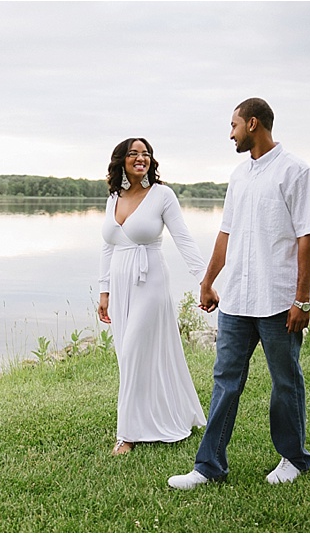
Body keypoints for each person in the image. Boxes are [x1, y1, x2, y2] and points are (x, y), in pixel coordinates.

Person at [168, 98, 310, 488]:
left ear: (253, 124)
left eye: (233, 125)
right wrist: (207, 280)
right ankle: (209, 466)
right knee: (225, 380)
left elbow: (306, 239)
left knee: (286, 381)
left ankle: (294, 458)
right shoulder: (239, 175)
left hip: (277, 300)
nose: (230, 132)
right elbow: (226, 233)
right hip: (236, 298)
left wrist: (302, 300)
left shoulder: (296, 171)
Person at [98, 138, 207, 455]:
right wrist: (103, 291)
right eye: (133, 154)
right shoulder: (114, 198)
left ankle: (126, 435)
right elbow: (107, 246)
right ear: (121, 160)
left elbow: (184, 239)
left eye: (145, 154)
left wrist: (204, 280)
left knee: (132, 350)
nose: (140, 158)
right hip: (120, 284)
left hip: (151, 281)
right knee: (127, 355)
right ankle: (149, 415)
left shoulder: (162, 195)